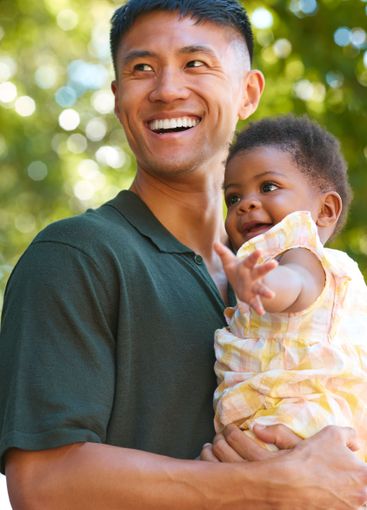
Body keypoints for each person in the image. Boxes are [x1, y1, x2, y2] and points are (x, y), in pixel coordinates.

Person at [1, 1, 367, 509]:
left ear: (248, 92)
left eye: (196, 63)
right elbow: (42, 485)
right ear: (116, 97)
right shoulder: (78, 255)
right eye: (141, 68)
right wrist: (273, 485)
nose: (167, 89)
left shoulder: (300, 279)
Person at [211, 115, 367, 458]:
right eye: (233, 198)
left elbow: (292, 284)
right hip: (281, 425)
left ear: (325, 210)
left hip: (300, 423)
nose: (246, 204)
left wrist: (258, 281)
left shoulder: (304, 258)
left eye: (268, 187)